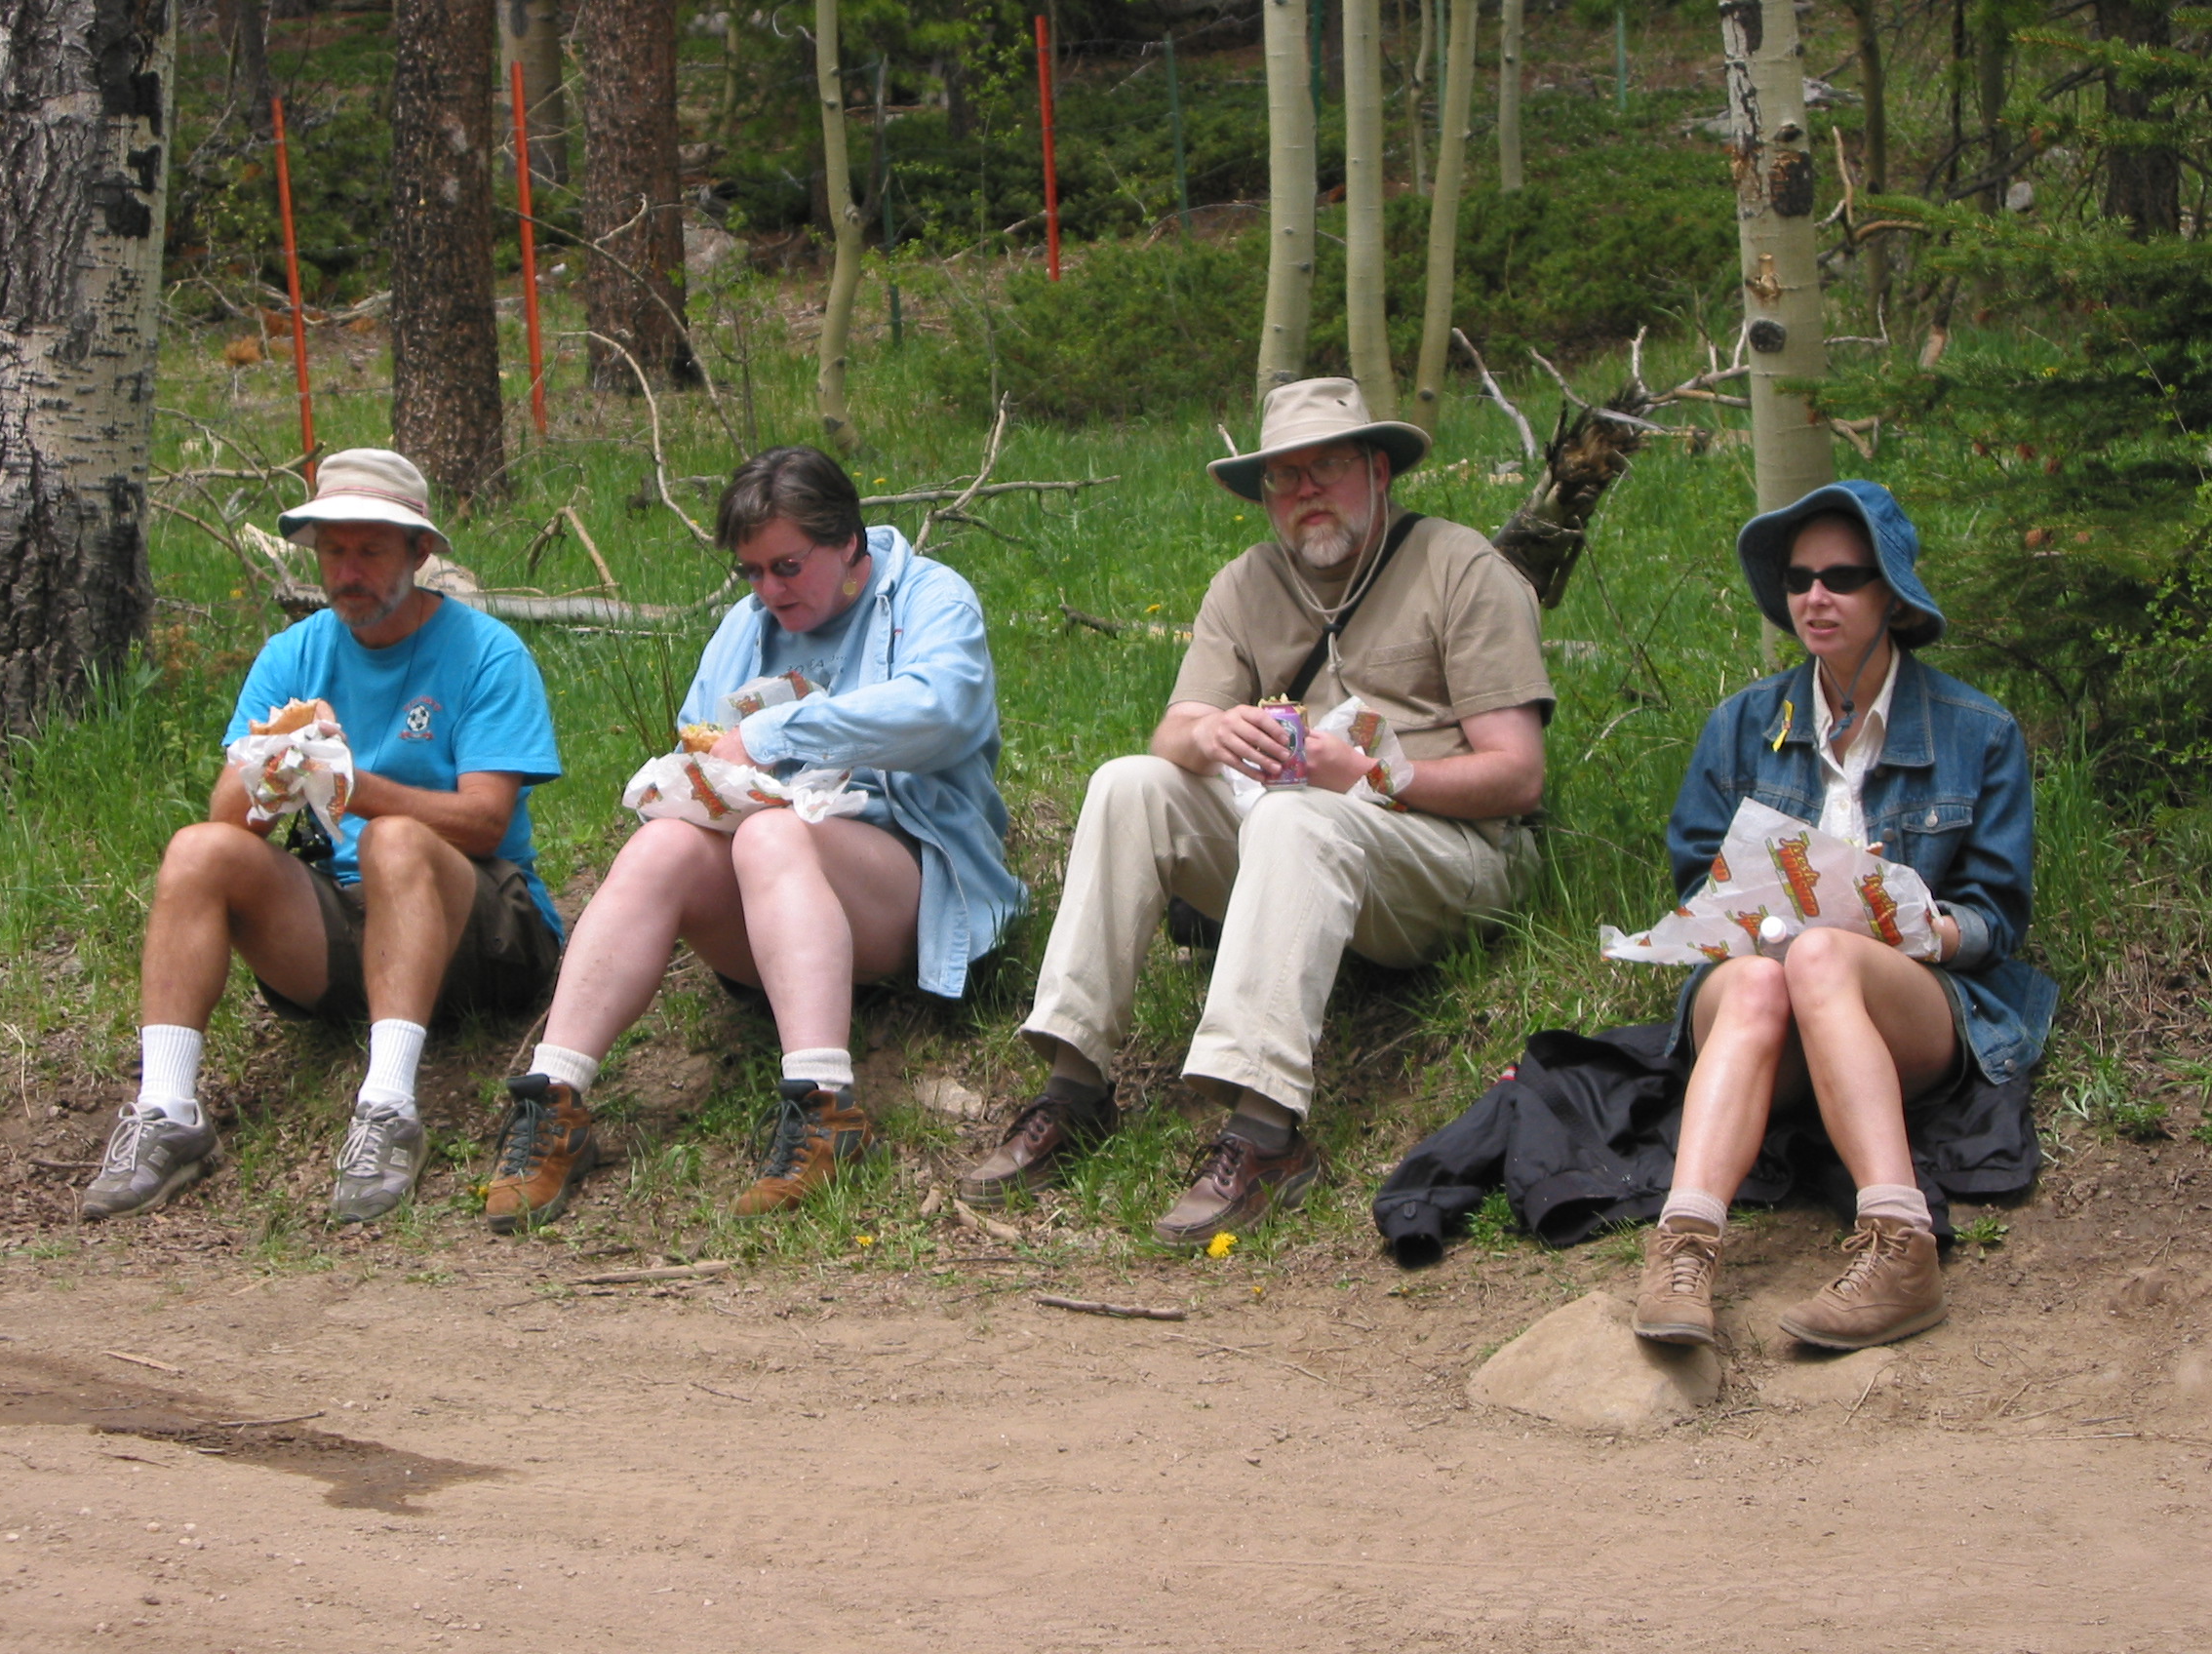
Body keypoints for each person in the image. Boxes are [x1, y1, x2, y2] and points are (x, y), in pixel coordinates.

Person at [956, 377, 1553, 1246]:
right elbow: (1173, 732)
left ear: (1379, 471)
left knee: (1296, 814)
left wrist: (1375, 779)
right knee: (1128, 782)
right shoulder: (1246, 584)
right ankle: (1073, 1086)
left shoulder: (1461, 568)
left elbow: (1518, 778)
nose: (1306, 492)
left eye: (1328, 468)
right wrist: (1212, 732)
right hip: (1304, 843)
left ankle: (1265, 1130)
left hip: (1447, 855)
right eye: (1284, 478)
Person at [485, 445, 1023, 1232]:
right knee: (660, 845)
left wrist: (773, 736)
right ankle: (555, 1099)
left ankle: (823, 1107)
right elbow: (701, 742)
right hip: (767, 884)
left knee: (774, 836)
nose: (769, 591)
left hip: (905, 876)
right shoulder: (749, 624)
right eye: (751, 573)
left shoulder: (931, 598)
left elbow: (941, 711)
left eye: (788, 567)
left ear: (850, 543)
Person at [84, 450, 566, 1225]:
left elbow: (485, 820)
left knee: (393, 841)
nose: (349, 570)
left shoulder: (486, 653)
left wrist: (354, 788)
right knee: (196, 851)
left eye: (371, 549)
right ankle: (167, 1112)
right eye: (333, 550)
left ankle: (389, 1107)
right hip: (345, 929)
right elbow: (224, 823)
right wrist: (272, 783)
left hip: (489, 937)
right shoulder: (293, 655)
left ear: (421, 553)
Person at [1635, 480, 2056, 1352]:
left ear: (1892, 595)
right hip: (1763, 1015)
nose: (1815, 598)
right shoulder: (1741, 724)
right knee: (1757, 978)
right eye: (1798, 580)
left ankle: (1901, 1247)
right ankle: (1683, 1251)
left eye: (1842, 577)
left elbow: (1995, 917)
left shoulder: (1978, 730)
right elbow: (1695, 888)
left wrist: (1924, 928)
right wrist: (1746, 916)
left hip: (1903, 1008)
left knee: (1824, 956)